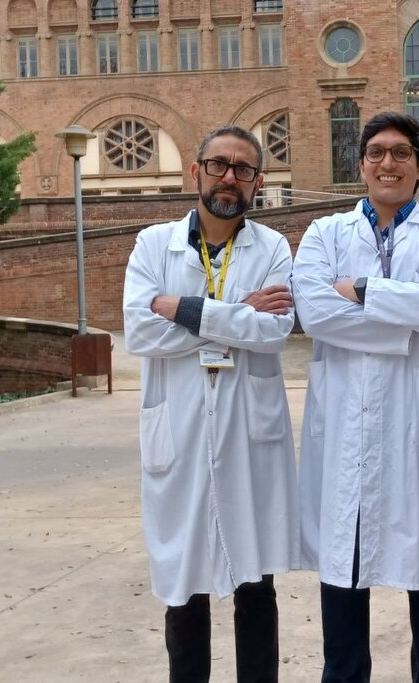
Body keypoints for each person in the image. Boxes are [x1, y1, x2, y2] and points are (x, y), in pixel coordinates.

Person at [290, 111, 419, 682]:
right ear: (361, 166)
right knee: (343, 605)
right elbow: (317, 314)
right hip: (348, 433)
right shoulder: (326, 234)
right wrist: (415, 303)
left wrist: (364, 290)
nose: (388, 163)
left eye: (401, 153)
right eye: (376, 152)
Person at [122, 125, 298, 683]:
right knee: (184, 584)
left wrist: (181, 309)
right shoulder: (154, 244)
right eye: (218, 165)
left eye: (243, 169)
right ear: (194, 171)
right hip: (180, 432)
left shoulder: (272, 248)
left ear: (258, 183)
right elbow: (138, 331)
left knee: (256, 583)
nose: (230, 177)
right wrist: (235, 312)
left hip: (250, 435)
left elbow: (273, 331)